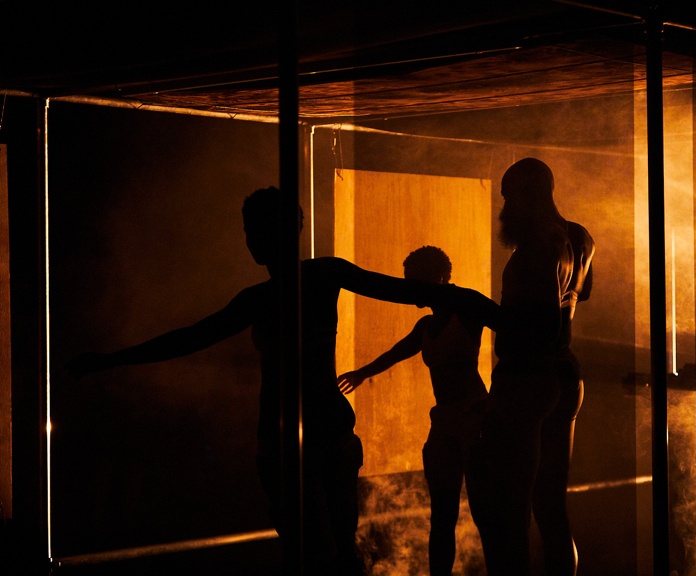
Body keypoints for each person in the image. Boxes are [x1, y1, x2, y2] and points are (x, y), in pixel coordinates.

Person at [65, 186, 499, 576]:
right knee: (336, 548)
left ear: (271, 235)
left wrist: (110, 360)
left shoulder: (270, 295)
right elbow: (409, 293)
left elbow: (190, 339)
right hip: (322, 429)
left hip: (293, 436)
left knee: (313, 551)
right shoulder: (320, 277)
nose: (251, 240)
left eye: (254, 231)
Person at [467, 158, 594, 576]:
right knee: (551, 504)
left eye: (508, 196)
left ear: (528, 194)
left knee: (509, 504)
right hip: (563, 373)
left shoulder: (538, 246)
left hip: (527, 376)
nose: (503, 207)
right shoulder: (579, 238)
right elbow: (580, 295)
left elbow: (538, 324)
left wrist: (479, 310)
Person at [337, 246, 489, 576]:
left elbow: (509, 325)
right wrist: (362, 373)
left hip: (475, 415)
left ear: (439, 277)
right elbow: (396, 353)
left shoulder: (466, 306)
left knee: (484, 509)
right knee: (442, 513)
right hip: (446, 419)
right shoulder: (426, 325)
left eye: (415, 281)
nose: (409, 289)